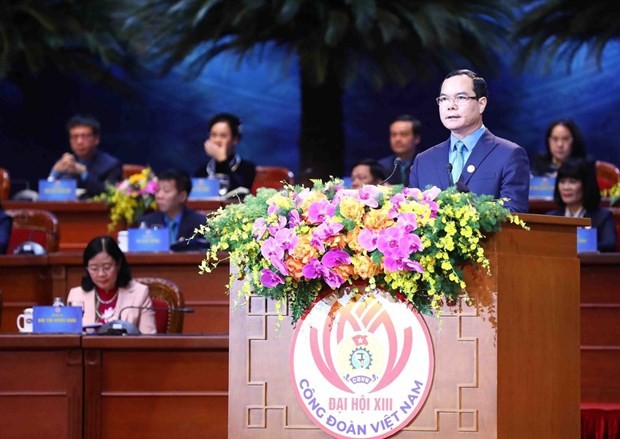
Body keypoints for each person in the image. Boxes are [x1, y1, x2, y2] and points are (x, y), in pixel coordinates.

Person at [409, 69, 530, 213]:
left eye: (460, 98)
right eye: (444, 99)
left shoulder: (509, 155)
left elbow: (514, 215)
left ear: (481, 104)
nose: (451, 106)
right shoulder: (423, 161)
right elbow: (412, 216)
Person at [67, 235, 157, 333]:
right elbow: (70, 339)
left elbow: (148, 339)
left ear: (118, 264)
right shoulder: (76, 296)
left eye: (107, 267)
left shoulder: (140, 293)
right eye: (94, 268)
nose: (101, 274)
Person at [547, 158, 617, 252]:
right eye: (562, 182)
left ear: (586, 185)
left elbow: (609, 245)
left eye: (572, 181)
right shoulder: (551, 218)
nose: (566, 187)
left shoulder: (603, 217)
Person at [48, 114, 122, 198]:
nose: (79, 142)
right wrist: (55, 172)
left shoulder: (111, 165)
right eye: (74, 137)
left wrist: (84, 174)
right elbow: (49, 195)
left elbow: (109, 194)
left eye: (85, 136)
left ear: (96, 139)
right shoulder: (66, 163)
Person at [137, 168, 209, 251]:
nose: (159, 196)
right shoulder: (146, 222)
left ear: (182, 196)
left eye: (166, 191)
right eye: (157, 190)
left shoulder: (200, 224)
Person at [193, 112, 256, 192]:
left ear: (235, 139)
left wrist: (222, 160)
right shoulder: (202, 172)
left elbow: (239, 197)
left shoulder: (247, 169)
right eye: (213, 135)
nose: (217, 140)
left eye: (223, 136)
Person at [378, 114, 422, 186]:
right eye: (393, 134)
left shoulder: (425, 163)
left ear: (416, 138)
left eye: (403, 134)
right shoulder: (382, 166)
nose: (397, 139)